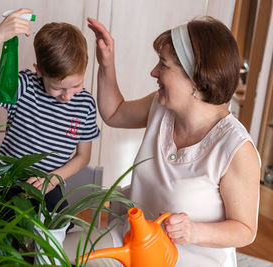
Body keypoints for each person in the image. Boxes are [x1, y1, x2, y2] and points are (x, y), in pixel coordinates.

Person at [87, 16, 260, 266]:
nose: (154, 72)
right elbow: (114, 112)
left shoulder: (236, 149)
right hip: (133, 243)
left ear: (196, 79)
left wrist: (194, 231)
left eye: (163, 65)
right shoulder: (161, 106)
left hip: (188, 260)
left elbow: (245, 229)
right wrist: (106, 63)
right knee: (51, 253)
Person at [0, 8, 100, 213]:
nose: (67, 95)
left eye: (76, 85)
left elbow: (83, 156)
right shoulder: (24, 86)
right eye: (58, 87)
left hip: (49, 184)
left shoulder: (86, 105)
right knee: (5, 227)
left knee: (56, 229)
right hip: (7, 183)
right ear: (39, 71)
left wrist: (54, 178)